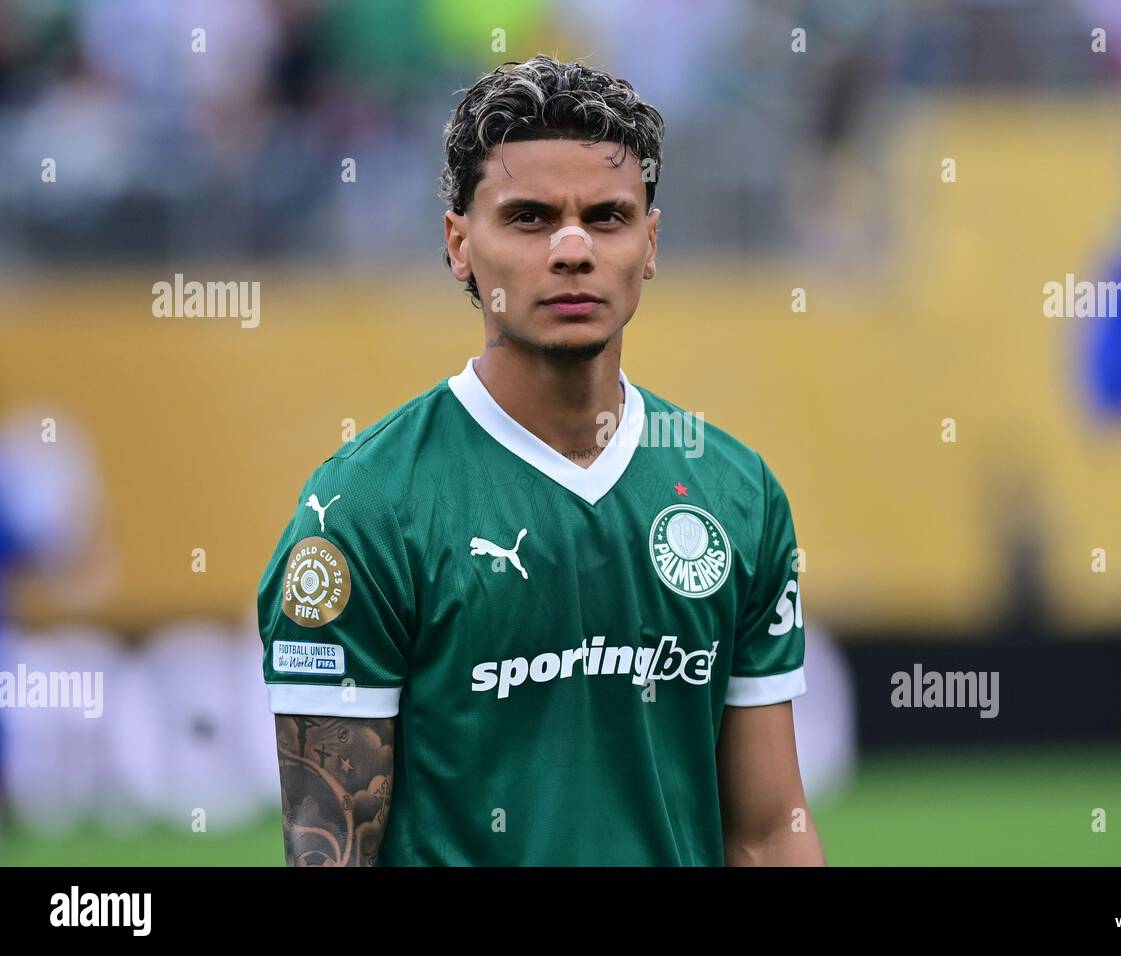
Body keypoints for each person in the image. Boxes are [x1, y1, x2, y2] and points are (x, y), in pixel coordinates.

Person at [257, 54, 824, 866]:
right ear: (459, 245)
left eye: (606, 216)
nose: (571, 248)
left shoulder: (737, 493)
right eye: (528, 218)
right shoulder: (360, 511)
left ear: (650, 243)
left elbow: (770, 836)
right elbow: (328, 853)